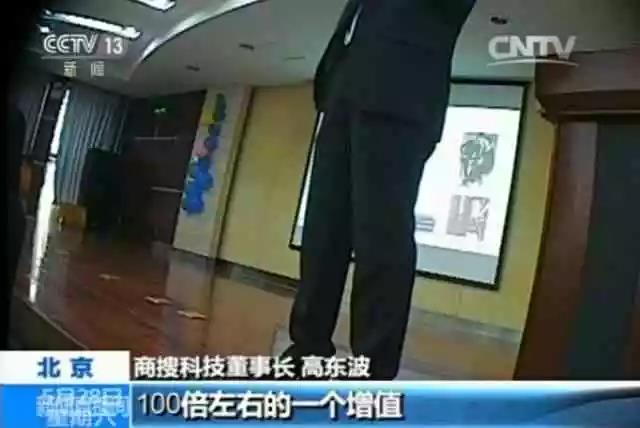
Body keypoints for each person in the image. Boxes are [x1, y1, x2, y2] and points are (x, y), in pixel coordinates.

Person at [285, 0, 476, 379]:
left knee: (381, 236)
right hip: (344, 90)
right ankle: (307, 349)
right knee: (322, 228)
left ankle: (372, 370)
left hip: (400, 90)